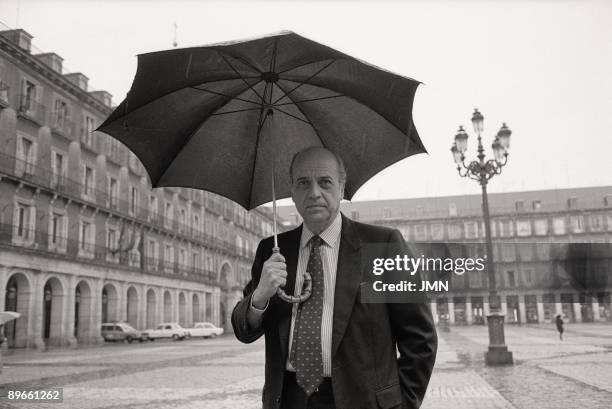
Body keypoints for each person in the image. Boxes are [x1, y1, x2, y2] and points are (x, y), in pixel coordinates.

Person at [232, 147, 437, 409]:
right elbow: (243, 330)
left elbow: (420, 340)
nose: (314, 192)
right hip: (289, 400)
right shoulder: (272, 251)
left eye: (325, 182)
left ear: (341, 187)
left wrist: (402, 404)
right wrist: (259, 296)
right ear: (292, 192)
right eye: (303, 183)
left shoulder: (381, 245)